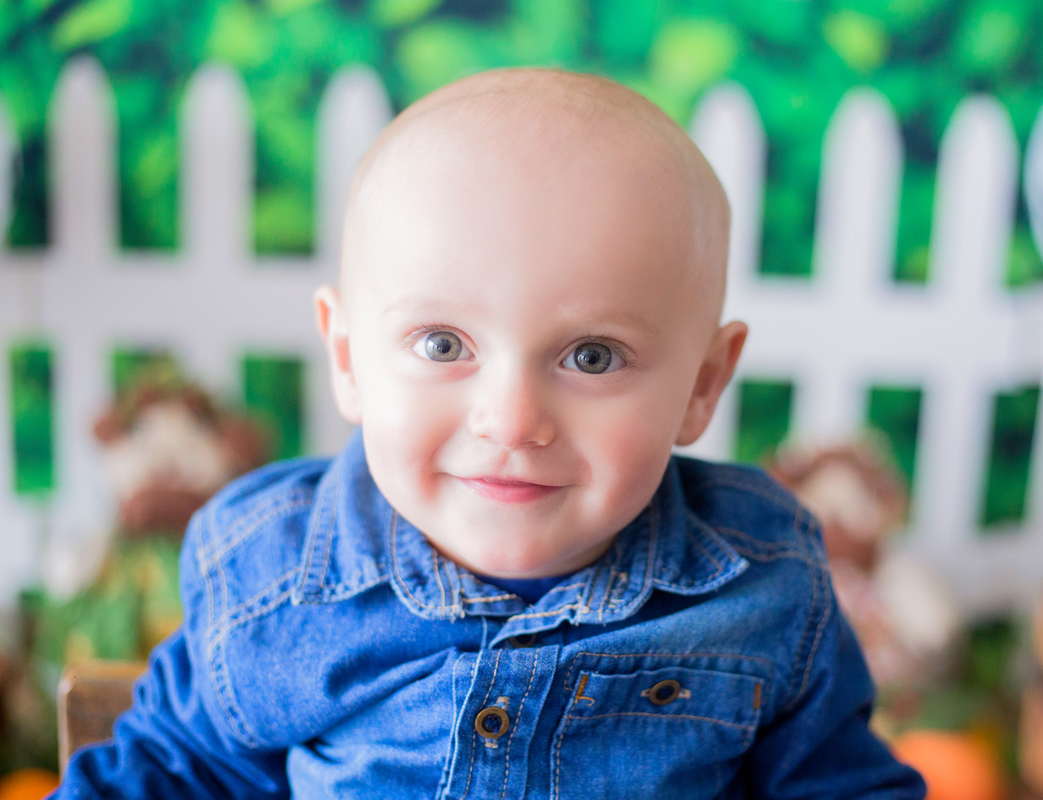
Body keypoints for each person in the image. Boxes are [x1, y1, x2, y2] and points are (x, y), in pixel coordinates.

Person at [54, 68, 925, 799]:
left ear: (701, 385)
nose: (510, 420)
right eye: (443, 345)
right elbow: (167, 772)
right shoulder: (274, 573)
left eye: (591, 356)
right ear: (351, 359)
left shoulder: (761, 584)